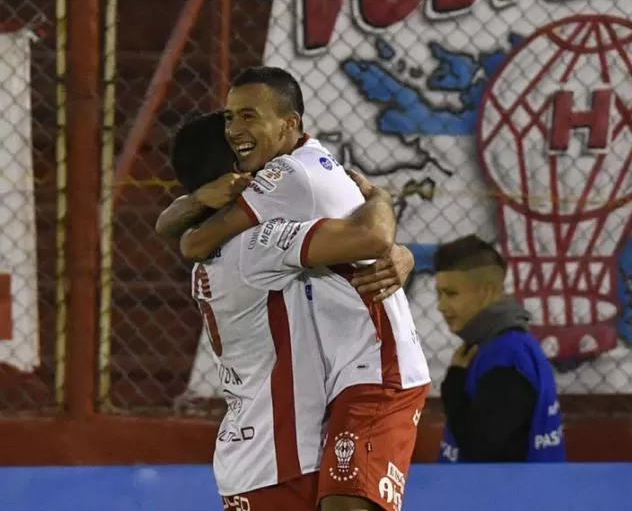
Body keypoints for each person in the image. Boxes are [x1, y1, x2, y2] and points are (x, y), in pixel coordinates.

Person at [155, 67, 431, 511]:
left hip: (359, 377)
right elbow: (194, 239)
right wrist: (381, 199)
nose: (237, 131)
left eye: (247, 116)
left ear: (290, 124)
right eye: (230, 121)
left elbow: (187, 235)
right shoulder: (258, 237)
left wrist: (194, 206)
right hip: (300, 424)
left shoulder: (284, 183)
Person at [433, 235, 566, 463]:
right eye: (439, 295)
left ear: (486, 292)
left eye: (451, 294)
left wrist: (454, 386)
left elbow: (483, 450)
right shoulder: (497, 345)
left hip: (502, 497)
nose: (441, 306)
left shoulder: (506, 356)